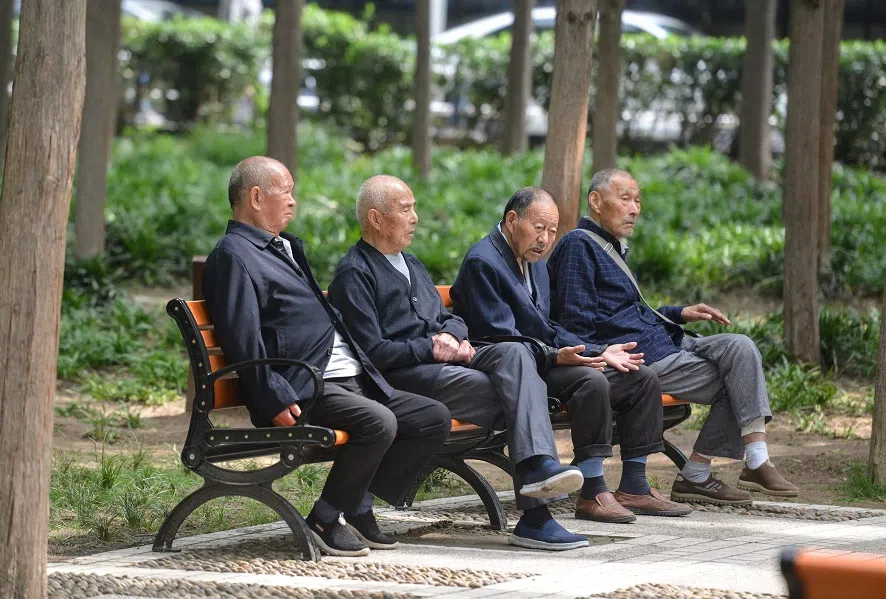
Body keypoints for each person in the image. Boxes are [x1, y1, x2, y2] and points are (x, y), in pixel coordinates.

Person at [202, 157, 452, 557]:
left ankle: (357, 505)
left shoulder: (282, 246)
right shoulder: (234, 255)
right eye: (285, 191)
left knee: (431, 418)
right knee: (379, 422)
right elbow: (240, 335)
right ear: (255, 196)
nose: (293, 202)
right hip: (308, 383)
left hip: (349, 374)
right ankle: (325, 515)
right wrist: (273, 396)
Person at [328, 175, 588, 551]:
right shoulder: (355, 273)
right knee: (517, 394)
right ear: (376, 218)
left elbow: (449, 318)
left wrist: (453, 335)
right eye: (406, 210)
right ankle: (536, 514)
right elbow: (373, 353)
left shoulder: (411, 263)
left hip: (449, 360)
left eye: (414, 207)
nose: (416, 217)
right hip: (406, 377)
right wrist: (432, 347)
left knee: (514, 352)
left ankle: (538, 473)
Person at [548, 168, 799, 505]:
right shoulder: (579, 246)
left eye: (638, 201)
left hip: (667, 339)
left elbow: (621, 311)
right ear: (595, 201)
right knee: (738, 383)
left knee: (741, 347)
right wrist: (603, 352)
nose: (635, 208)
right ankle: (697, 476)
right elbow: (575, 322)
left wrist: (677, 312)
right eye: (625, 199)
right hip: (643, 357)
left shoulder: (609, 246)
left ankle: (755, 457)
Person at [452, 186, 690, 520]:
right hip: (510, 368)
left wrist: (600, 350)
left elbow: (547, 325)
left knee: (640, 377)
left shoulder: (534, 263)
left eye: (552, 231)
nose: (545, 239)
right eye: (539, 228)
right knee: (590, 382)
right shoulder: (484, 261)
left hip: (542, 357)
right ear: (511, 220)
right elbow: (502, 336)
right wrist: (556, 355)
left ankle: (635, 486)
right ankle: (592, 491)